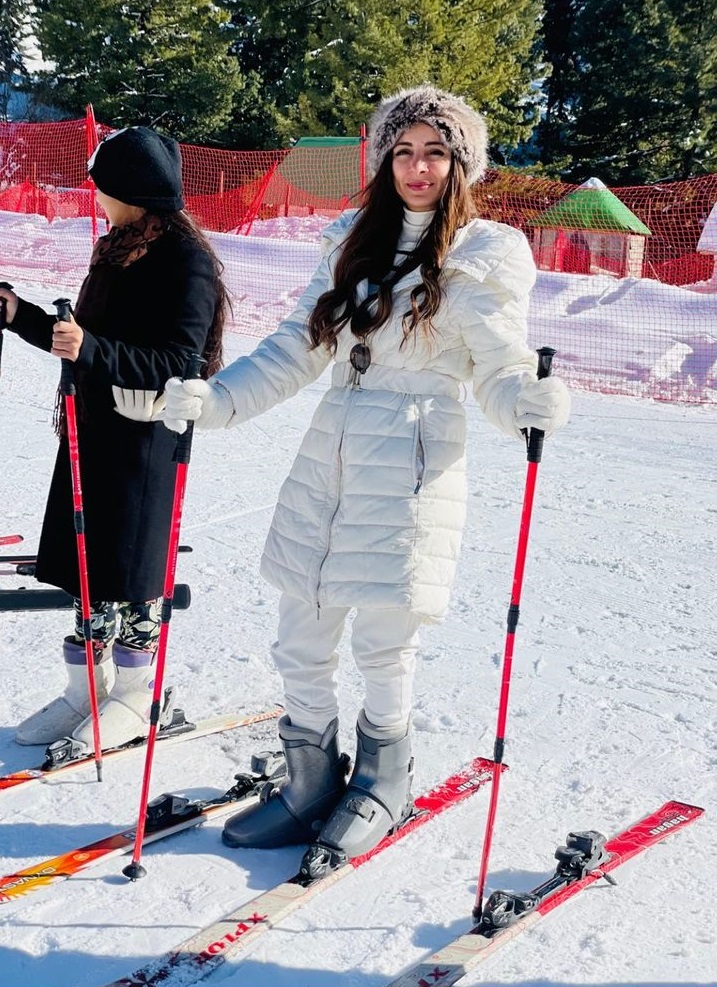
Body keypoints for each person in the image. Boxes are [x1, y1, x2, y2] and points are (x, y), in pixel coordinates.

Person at [163, 85, 571, 871]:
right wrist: (218, 401)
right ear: (384, 158)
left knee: (385, 638)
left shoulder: (483, 255)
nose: (417, 167)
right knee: (302, 627)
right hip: (332, 448)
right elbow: (294, 347)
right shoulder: (350, 237)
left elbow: (496, 368)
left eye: (435, 151)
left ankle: (384, 779)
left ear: (461, 163)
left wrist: (525, 401)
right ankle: (310, 781)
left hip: (416, 454)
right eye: (403, 150)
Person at [0, 126, 228, 751]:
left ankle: (132, 697)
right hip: (92, 432)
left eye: (102, 187)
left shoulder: (186, 260)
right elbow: (80, 339)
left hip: (145, 444)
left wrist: (92, 348)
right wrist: (19, 314)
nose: (95, 196)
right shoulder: (118, 246)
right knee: (87, 567)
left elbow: (183, 360)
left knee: (130, 575)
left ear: (131, 191)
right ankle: (85, 692)